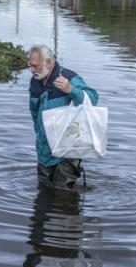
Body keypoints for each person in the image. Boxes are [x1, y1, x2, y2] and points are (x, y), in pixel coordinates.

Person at [27, 44, 98, 188]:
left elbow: (92, 99)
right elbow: (35, 113)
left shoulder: (69, 77)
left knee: (63, 192)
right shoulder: (35, 81)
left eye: (35, 66)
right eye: (30, 66)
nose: (32, 70)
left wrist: (71, 90)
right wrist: (39, 138)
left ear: (48, 62)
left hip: (69, 149)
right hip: (45, 149)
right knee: (45, 189)